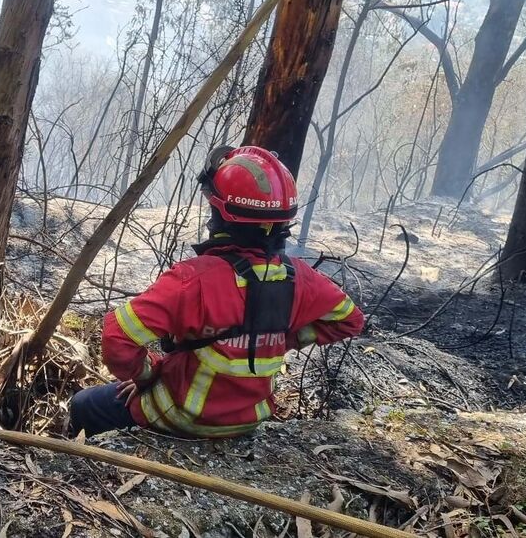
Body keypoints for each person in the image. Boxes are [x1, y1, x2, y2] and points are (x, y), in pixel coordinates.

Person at [69, 145, 364, 438]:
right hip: (250, 419)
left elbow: (117, 336)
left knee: (83, 405)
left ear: (221, 215)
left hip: (181, 415)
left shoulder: (193, 279)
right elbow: (350, 320)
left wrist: (147, 375)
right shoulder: (301, 278)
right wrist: (276, 339)